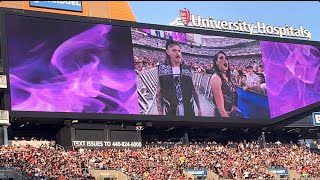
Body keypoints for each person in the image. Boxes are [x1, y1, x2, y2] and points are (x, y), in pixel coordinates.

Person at [155, 40, 202, 116]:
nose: (177, 53)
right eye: (174, 50)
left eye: (179, 51)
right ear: (167, 52)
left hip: (189, 111)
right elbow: (159, 94)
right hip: (171, 112)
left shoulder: (187, 69)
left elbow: (193, 90)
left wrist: (199, 109)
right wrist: (160, 114)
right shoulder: (162, 69)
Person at [209, 51, 240, 118]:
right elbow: (221, 110)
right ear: (216, 62)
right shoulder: (216, 78)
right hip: (223, 116)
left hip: (232, 113)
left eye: (226, 58)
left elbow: (232, 95)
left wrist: (234, 108)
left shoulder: (228, 77)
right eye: (221, 58)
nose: (225, 60)